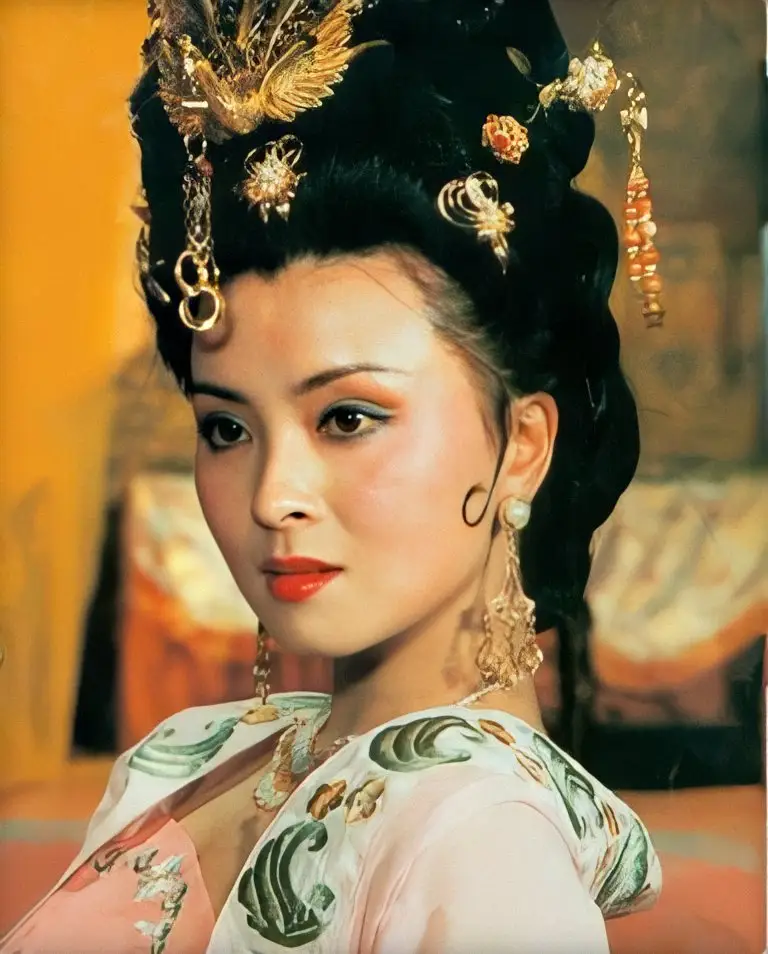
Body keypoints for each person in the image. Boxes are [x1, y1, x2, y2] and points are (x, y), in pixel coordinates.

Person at [3, 0, 664, 951]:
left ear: (521, 444)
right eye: (227, 427)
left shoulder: (481, 848)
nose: (273, 495)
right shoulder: (188, 760)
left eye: (347, 418)